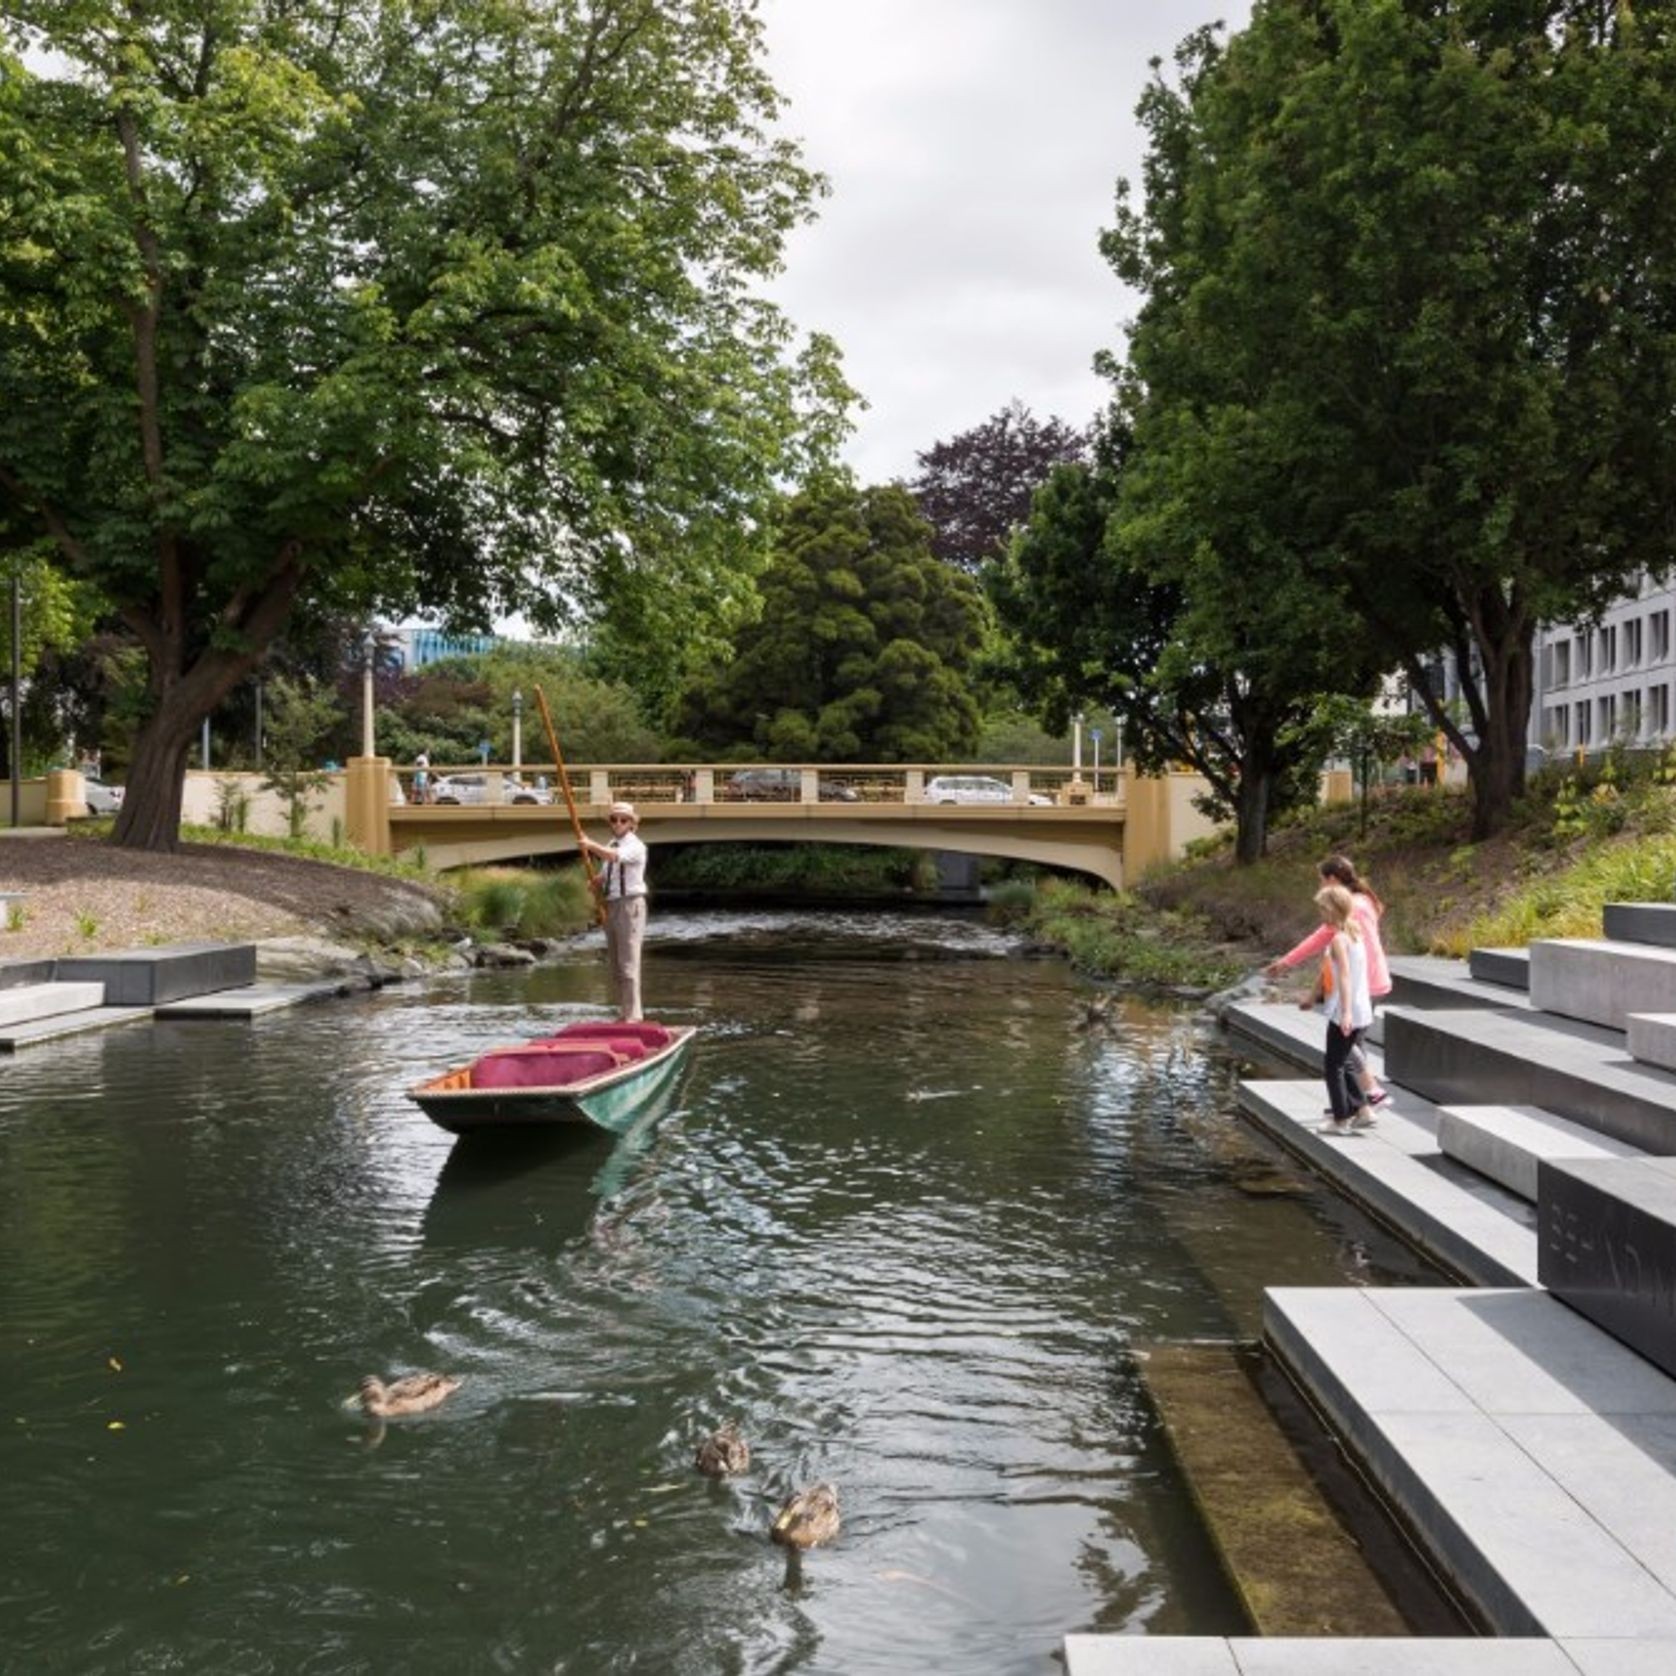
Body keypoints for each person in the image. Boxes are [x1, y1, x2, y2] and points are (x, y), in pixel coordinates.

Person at [1266, 854, 1391, 1107]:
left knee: (1346, 1045)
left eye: (1321, 880)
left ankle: (1369, 1095)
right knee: (1354, 1042)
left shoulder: (1350, 908)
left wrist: (1286, 962)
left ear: (1332, 879)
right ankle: (1360, 1100)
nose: (1320, 885)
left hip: (1363, 983)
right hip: (1374, 979)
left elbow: (1321, 941)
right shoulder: (1363, 900)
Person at [1314, 883, 1375, 1135]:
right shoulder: (1356, 934)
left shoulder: (1340, 939)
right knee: (1345, 1061)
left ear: (1331, 910)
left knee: (1333, 1065)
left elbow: (1345, 977)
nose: (1320, 914)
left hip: (1346, 1010)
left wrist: (1346, 1012)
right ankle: (1361, 1109)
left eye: (1322, 909)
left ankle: (1341, 1120)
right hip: (1361, 1008)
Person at [579, 800, 649, 1021]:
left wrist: (590, 845)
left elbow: (614, 857)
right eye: (614, 819)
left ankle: (633, 1016)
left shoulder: (636, 846)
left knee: (628, 963)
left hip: (630, 905)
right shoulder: (612, 843)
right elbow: (608, 869)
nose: (618, 823)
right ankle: (624, 1012)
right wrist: (597, 881)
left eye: (623, 820)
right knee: (617, 965)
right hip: (611, 904)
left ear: (631, 823)